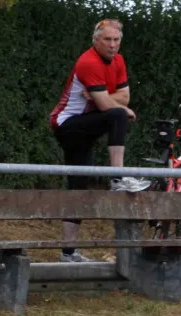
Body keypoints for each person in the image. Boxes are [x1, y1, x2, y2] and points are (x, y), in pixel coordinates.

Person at [49, 19, 151, 263]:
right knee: (118, 115)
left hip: (86, 123)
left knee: (78, 188)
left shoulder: (119, 61)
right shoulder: (88, 61)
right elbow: (109, 106)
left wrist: (104, 98)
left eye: (116, 40)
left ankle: (68, 252)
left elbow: (124, 96)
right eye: (107, 40)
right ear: (96, 41)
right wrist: (115, 104)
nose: (112, 45)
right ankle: (118, 178)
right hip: (67, 124)